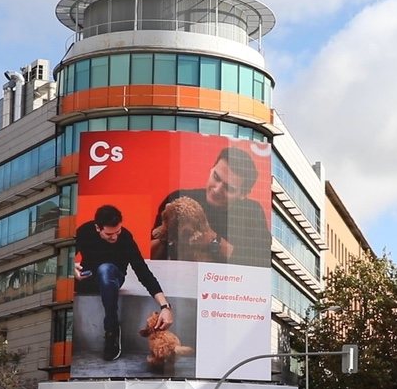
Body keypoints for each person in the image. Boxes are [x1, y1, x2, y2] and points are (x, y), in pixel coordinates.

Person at [75, 204, 174, 361]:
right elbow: (64, 256)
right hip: (87, 277)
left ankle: (112, 331)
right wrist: (71, 268)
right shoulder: (84, 231)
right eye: (109, 234)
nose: (114, 237)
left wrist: (165, 306)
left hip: (112, 278)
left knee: (105, 269)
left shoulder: (125, 238)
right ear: (97, 228)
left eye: (117, 232)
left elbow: (143, 272)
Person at [150, 147, 270, 267]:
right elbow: (146, 256)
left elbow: (259, 264)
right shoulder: (179, 199)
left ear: (243, 194)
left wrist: (212, 240)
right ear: (211, 169)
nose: (217, 190)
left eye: (229, 188)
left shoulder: (252, 212)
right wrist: (167, 234)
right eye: (216, 177)